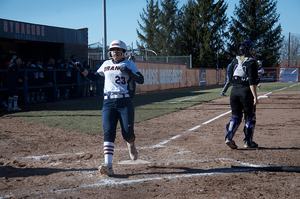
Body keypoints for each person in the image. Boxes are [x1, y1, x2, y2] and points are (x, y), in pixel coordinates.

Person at [78, 40, 144, 176]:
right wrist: (82, 70)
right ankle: (108, 165)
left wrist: (129, 72)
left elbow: (141, 79)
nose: (115, 52)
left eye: (118, 50)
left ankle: (131, 144)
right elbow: (93, 76)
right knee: (108, 132)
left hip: (125, 101)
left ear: (124, 52)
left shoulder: (129, 63)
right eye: (113, 50)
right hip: (108, 102)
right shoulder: (106, 64)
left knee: (128, 133)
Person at [224, 40, 259, 149]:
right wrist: (255, 97)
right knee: (250, 118)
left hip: (234, 92)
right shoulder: (252, 62)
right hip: (246, 93)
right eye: (251, 49)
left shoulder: (234, 61)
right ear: (248, 51)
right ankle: (248, 142)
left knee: (235, 117)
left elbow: (230, 78)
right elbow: (251, 82)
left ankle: (228, 137)